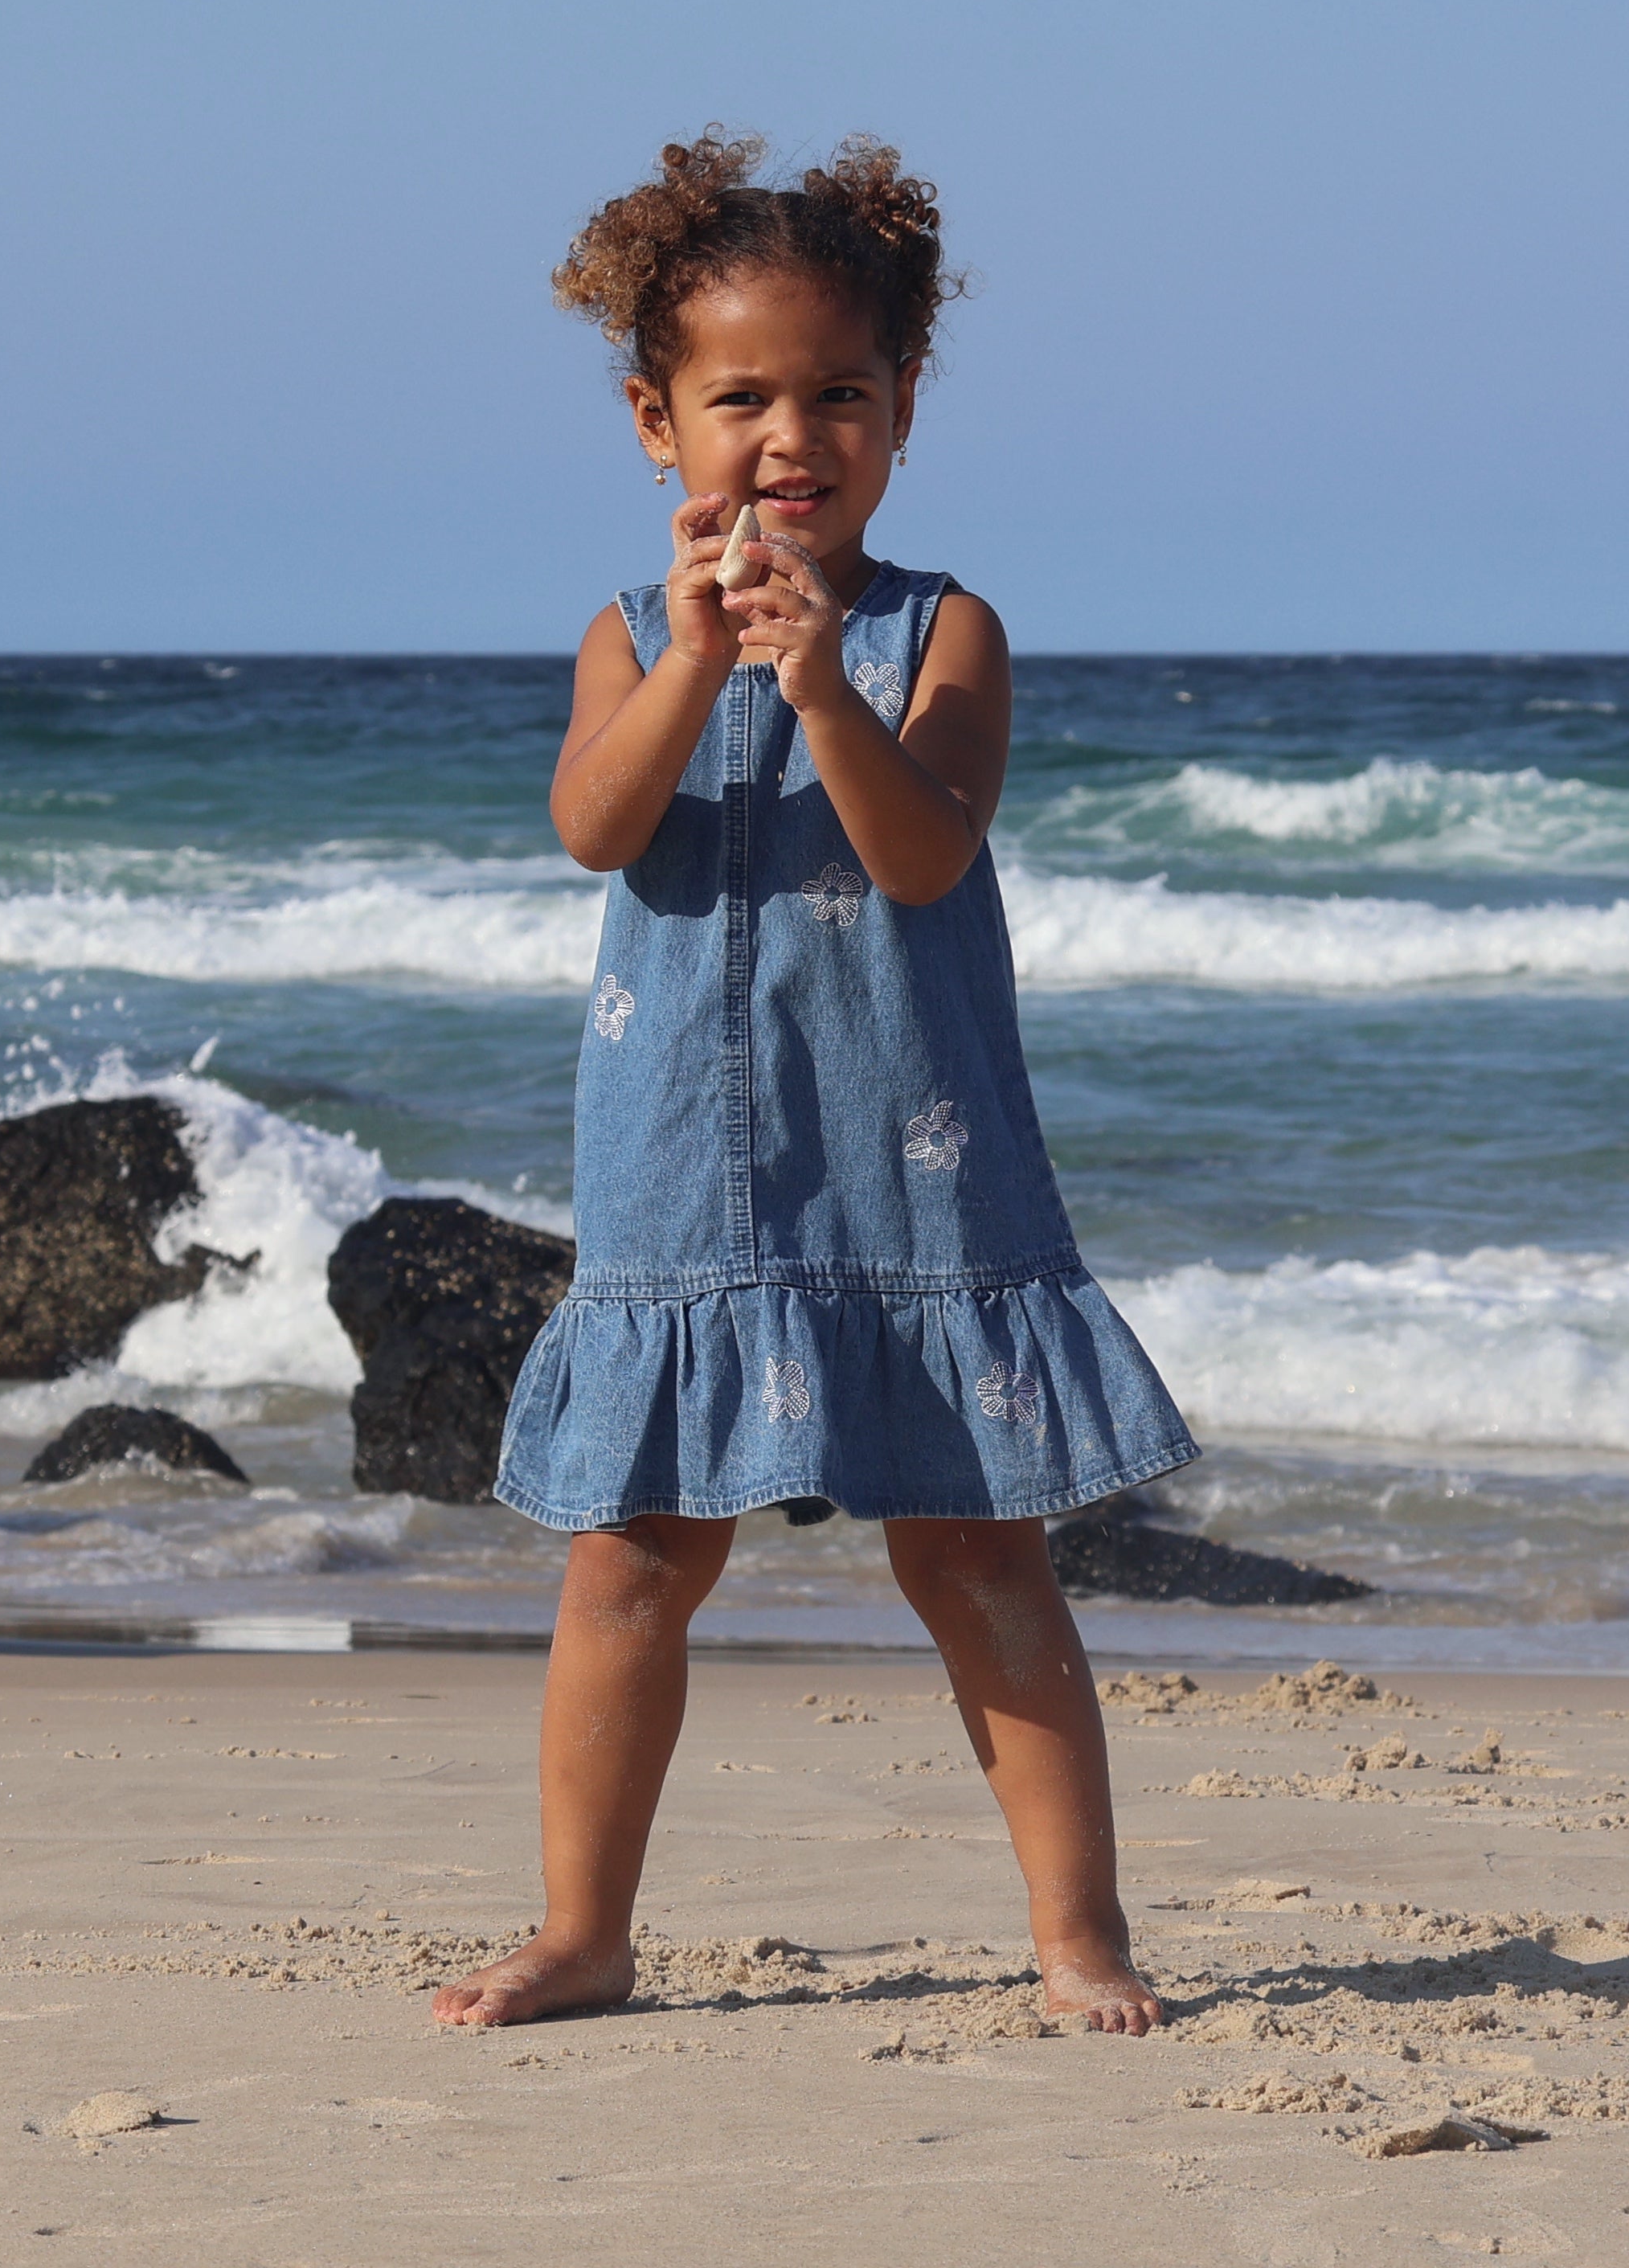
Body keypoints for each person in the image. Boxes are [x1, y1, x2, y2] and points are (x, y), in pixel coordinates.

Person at [434, 130, 1197, 2038]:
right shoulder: (627, 630)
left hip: (912, 1168)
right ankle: (586, 1934)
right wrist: (700, 666)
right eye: (741, 399)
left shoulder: (946, 630)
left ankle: (1077, 1932)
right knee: (633, 1558)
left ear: (904, 410)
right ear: (652, 419)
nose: (792, 438)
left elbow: (926, 852)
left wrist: (825, 691)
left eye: (838, 395)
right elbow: (597, 829)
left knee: (975, 1549)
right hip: (682, 1169)